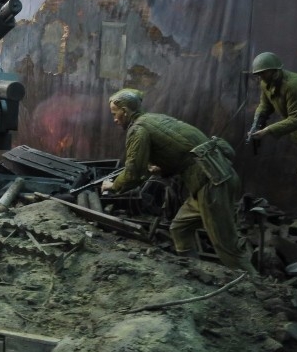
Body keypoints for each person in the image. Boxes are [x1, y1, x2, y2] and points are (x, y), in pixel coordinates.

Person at [101, 88, 256, 274]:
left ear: (125, 111)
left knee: (227, 246)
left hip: (211, 184)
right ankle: (195, 273)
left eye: (115, 114)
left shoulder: (137, 130)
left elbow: (134, 172)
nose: (114, 119)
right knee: (180, 228)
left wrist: (113, 185)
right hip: (215, 177)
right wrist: (162, 168)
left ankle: (254, 286)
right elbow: (183, 152)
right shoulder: (155, 119)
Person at [247, 51, 297, 227]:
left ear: (275, 71)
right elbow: (264, 106)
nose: (260, 77)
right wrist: (256, 123)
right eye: (258, 74)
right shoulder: (266, 83)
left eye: (263, 73)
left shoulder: (293, 85)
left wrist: (267, 130)